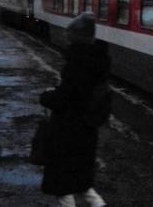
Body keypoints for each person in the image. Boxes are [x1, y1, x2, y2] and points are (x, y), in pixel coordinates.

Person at [40, 12, 111, 207]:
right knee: (82, 184)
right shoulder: (99, 60)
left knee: (63, 186)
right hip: (87, 130)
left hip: (69, 130)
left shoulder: (76, 64)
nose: (66, 36)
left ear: (76, 36)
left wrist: (46, 96)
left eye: (69, 33)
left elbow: (64, 99)